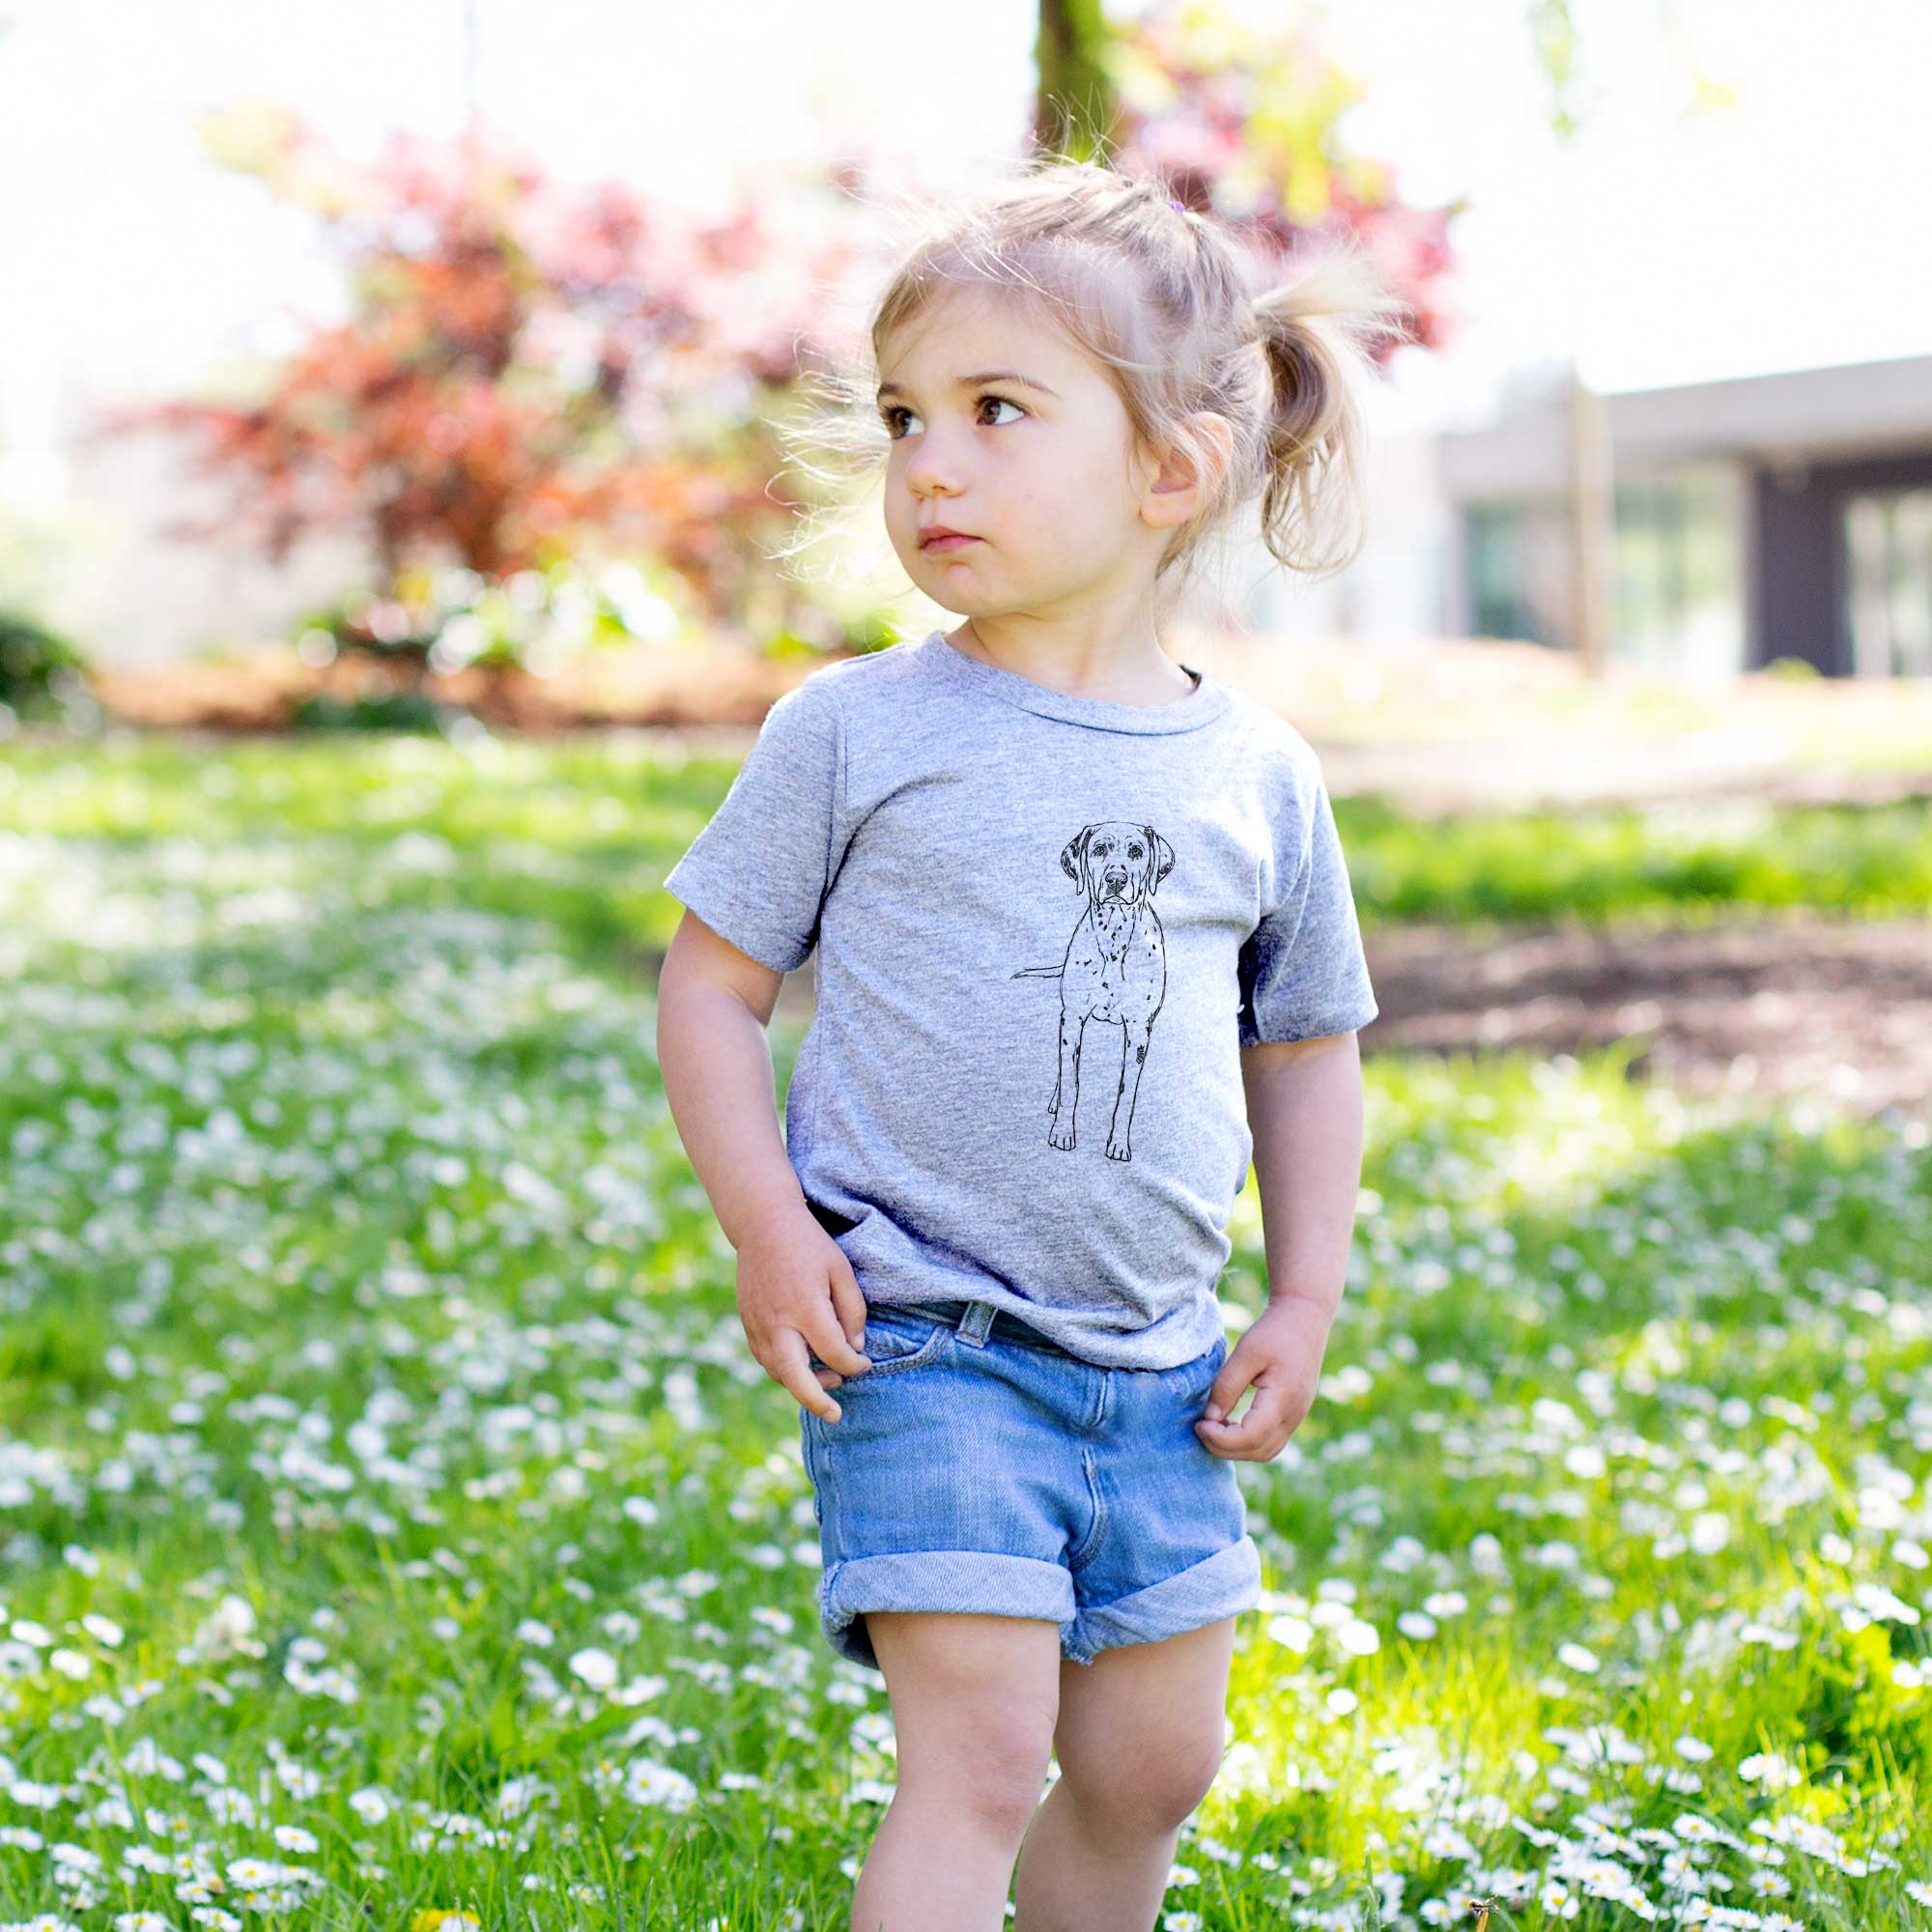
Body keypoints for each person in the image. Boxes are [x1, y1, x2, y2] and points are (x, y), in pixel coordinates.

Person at [656, 155, 1406, 1932]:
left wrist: (1302, 1302)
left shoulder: (1257, 776)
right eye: (907, 414)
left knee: (1153, 1772)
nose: (930, 462)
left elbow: (1306, 1048)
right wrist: (770, 1225)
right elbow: (710, 986)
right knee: (980, 1757)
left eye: (998, 411)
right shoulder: (857, 728)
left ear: (1174, 468)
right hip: (922, 1336)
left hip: (1162, 1371)